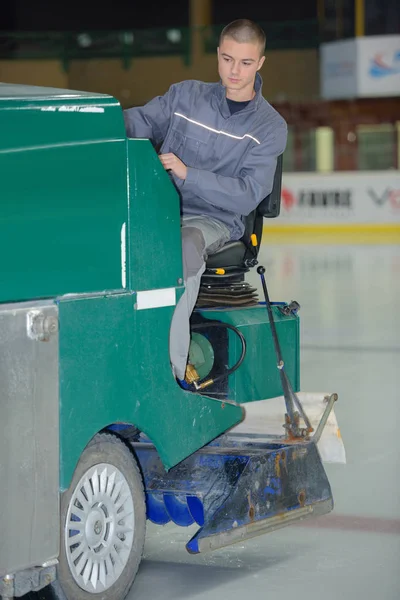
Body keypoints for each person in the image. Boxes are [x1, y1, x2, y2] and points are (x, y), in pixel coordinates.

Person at [123, 18, 287, 386]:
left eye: (245, 63)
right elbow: (138, 123)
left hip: (214, 220)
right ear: (218, 55)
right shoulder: (185, 96)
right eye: (228, 59)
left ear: (260, 62)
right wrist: (95, 123)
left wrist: (188, 173)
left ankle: (172, 374)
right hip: (160, 207)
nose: (234, 71)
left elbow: (247, 193)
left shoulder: (269, 127)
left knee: (182, 247)